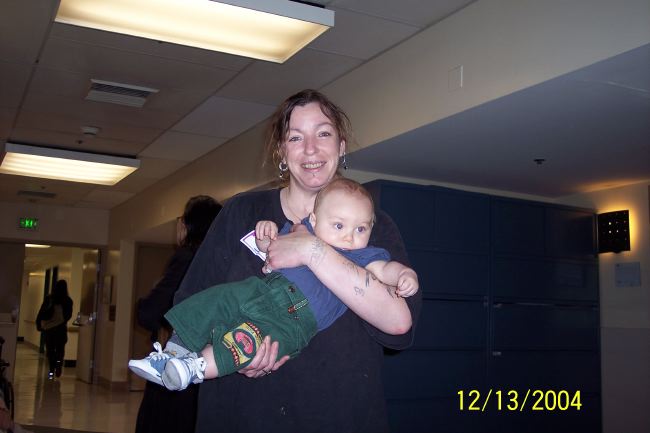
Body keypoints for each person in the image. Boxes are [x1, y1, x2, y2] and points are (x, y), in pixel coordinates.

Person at [173, 89, 422, 433]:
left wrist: (312, 250)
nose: (310, 149)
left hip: (339, 414)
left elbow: (398, 328)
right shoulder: (242, 212)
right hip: (242, 414)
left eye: (323, 134)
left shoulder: (371, 227)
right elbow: (192, 299)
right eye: (295, 137)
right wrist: (234, 352)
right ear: (281, 151)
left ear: (341, 147)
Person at [128, 179, 419, 391]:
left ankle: (196, 368)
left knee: (247, 340)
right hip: (263, 290)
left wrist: (405, 275)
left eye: (361, 229)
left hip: (295, 320)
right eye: (339, 225)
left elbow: (386, 269)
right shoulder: (301, 230)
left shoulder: (364, 256)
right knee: (219, 298)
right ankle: (174, 352)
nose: (349, 236)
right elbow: (272, 250)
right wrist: (266, 237)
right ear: (315, 219)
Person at [133, 195, 222, 433]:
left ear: (186, 225)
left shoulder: (187, 258)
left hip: (178, 367)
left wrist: (146, 300)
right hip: (209, 368)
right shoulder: (225, 262)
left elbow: (149, 313)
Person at [36, 279, 73, 379]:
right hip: (61, 329)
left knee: (50, 351)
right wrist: (61, 321)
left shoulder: (49, 298)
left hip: (49, 329)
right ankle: (59, 364)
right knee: (60, 350)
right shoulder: (68, 300)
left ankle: (51, 371)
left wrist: (38, 324)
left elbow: (41, 312)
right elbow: (69, 315)